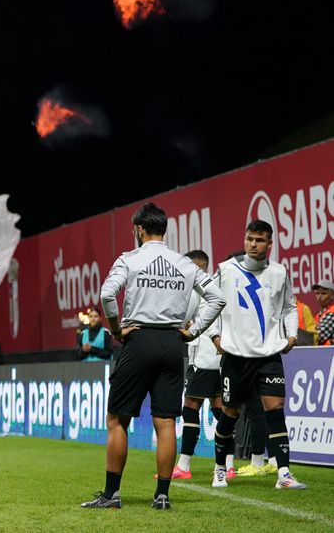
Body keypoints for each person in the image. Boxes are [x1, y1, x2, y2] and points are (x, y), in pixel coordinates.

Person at [81, 203, 225, 510]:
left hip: (140, 339)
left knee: (117, 419)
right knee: (166, 422)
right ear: (164, 229)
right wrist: (194, 331)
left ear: (139, 229)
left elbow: (107, 294)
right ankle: (162, 496)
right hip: (173, 343)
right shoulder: (184, 264)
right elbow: (217, 298)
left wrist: (117, 329)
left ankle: (111, 494)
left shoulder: (130, 259)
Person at [208, 220, 306, 490]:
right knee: (229, 412)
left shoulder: (279, 272)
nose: (253, 244)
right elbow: (212, 304)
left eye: (259, 240)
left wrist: (292, 334)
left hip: (268, 356)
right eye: (249, 238)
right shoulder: (226, 270)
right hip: (236, 356)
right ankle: (219, 469)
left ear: (270, 243)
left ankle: (284, 473)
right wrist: (215, 336)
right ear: (244, 239)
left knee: (275, 411)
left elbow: (289, 306)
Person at [171, 250, 235, 480]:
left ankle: (184, 466)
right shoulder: (217, 287)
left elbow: (183, 319)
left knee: (190, 407)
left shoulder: (196, 288)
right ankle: (228, 465)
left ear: (196, 266)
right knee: (221, 410)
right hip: (222, 359)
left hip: (204, 359)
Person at [312, 279, 334, 346]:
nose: (319, 297)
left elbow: (317, 337)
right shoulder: (319, 315)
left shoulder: (332, 313)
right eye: (317, 293)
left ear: (332, 295)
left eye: (324, 293)